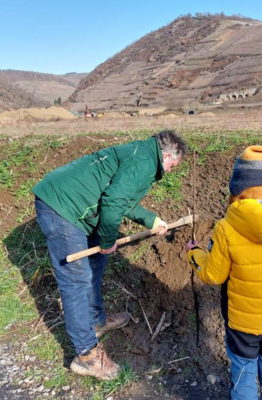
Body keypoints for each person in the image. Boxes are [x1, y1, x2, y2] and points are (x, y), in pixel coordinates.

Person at [33, 130, 187, 381]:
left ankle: (95, 321)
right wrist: (106, 240)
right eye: (173, 165)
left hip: (79, 204)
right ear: (166, 155)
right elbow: (114, 202)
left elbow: (121, 198)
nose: (171, 170)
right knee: (76, 279)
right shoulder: (145, 162)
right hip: (61, 207)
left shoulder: (143, 154)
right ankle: (86, 356)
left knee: (96, 261)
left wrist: (151, 219)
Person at [185, 145, 262, 400]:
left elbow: (213, 275)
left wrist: (193, 253)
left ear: (238, 189)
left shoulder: (226, 228)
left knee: (243, 371)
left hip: (240, 323)